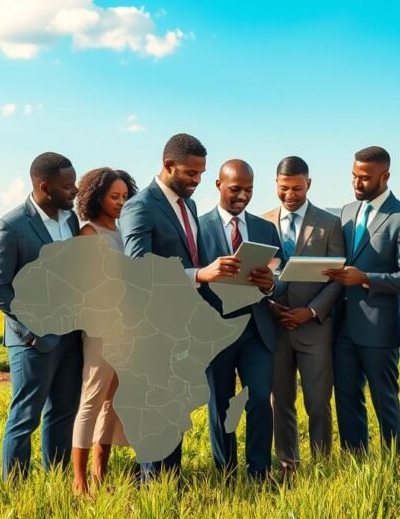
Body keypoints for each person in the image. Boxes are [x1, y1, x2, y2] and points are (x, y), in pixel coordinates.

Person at [119, 133, 242, 481]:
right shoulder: (139, 206)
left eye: (201, 173)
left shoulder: (187, 205)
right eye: (190, 173)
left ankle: (170, 485)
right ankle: (151, 490)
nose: (197, 181)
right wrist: (200, 273)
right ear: (168, 165)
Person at [0, 152, 83, 482]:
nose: (75, 191)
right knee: (25, 417)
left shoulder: (70, 221)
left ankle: (56, 481)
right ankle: (15, 488)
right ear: (45, 187)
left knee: (62, 414)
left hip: (71, 336)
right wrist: (31, 331)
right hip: (33, 341)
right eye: (68, 186)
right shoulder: (10, 227)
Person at [324, 146, 400, 454]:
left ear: (385, 176)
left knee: (385, 400)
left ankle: (393, 461)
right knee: (346, 398)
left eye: (364, 178)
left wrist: (365, 278)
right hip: (343, 327)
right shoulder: (346, 212)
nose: (356, 183)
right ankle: (355, 461)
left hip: (379, 329)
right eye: (353, 176)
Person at [197, 160, 280, 480]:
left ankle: (259, 471)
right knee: (220, 405)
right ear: (218, 185)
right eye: (235, 189)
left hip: (256, 330)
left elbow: (279, 276)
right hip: (215, 330)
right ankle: (226, 472)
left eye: (249, 190)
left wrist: (269, 283)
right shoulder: (197, 227)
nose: (243, 196)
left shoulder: (265, 228)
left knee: (260, 399)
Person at [261, 156, 344, 472]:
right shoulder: (261, 222)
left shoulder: (329, 223)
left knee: (318, 403)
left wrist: (310, 311)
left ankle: (322, 464)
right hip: (274, 326)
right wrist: (270, 306)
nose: (290, 195)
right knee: (280, 402)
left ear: (309, 184)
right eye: (284, 188)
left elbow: (337, 278)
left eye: (297, 188)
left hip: (313, 328)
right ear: (276, 184)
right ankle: (288, 464)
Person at [70, 167, 138, 495]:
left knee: (115, 402)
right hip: (101, 329)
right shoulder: (89, 233)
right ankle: (79, 480)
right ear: (96, 196)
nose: (121, 202)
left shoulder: (124, 232)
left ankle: (100, 472)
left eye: (125, 196)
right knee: (92, 400)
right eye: (114, 196)